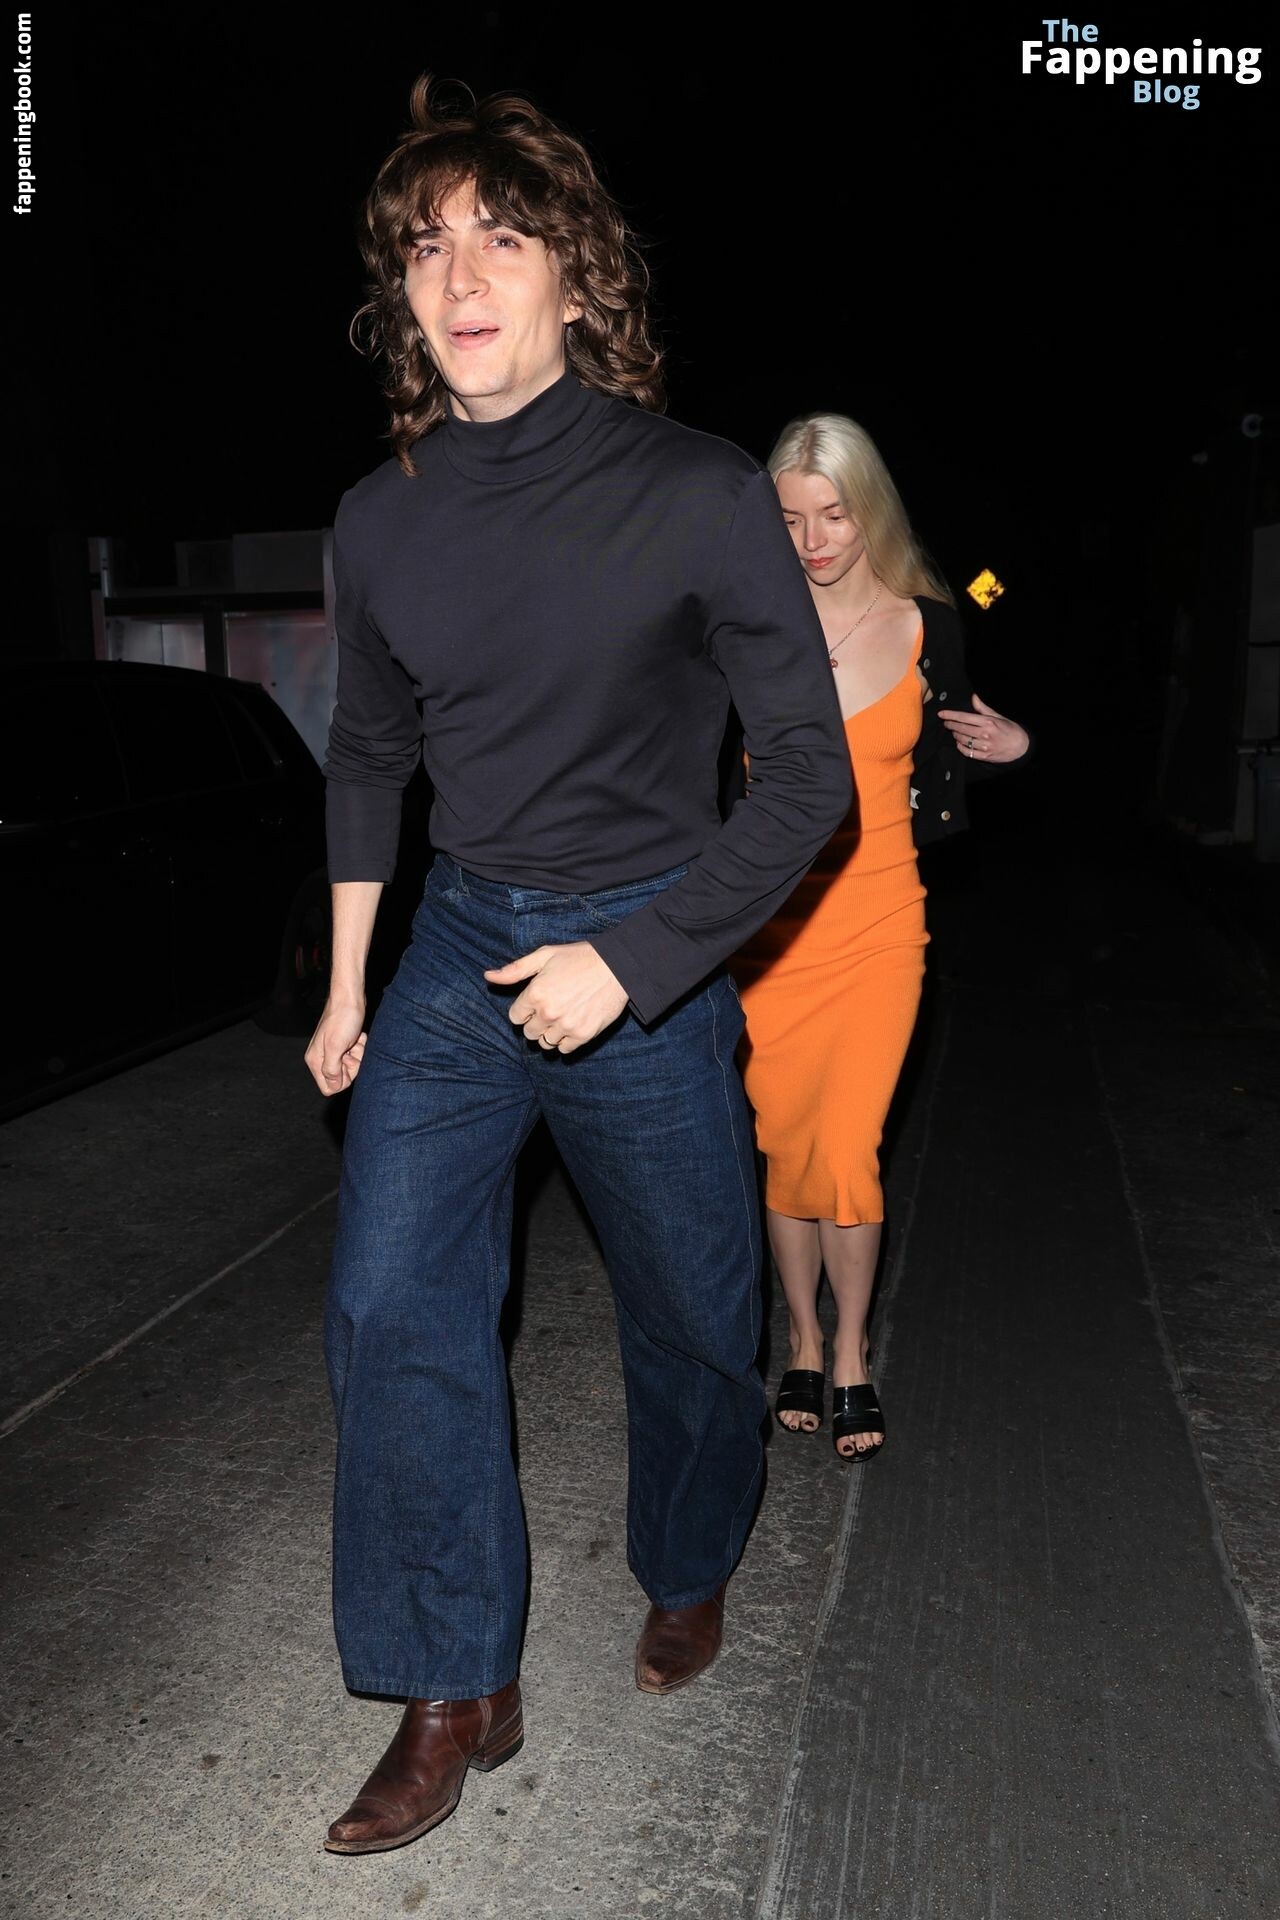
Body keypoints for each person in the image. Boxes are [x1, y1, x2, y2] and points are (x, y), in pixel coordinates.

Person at [304, 81, 852, 1855]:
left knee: (694, 1309)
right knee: (392, 1303)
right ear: (401, 294)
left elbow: (811, 780)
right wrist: (348, 985)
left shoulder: (696, 492)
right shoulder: (379, 517)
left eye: (501, 236)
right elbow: (369, 755)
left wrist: (633, 963)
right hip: (462, 944)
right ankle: (452, 1682)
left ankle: (689, 1558)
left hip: (650, 935)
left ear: (576, 274)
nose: (460, 275)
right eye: (425, 246)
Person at [730, 413, 1029, 1460]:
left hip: (880, 921)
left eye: (834, 516)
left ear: (871, 516)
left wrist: (1015, 745)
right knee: (786, 1144)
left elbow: (959, 743)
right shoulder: (744, 626)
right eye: (791, 520)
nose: (814, 542)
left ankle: (852, 1350)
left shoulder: (926, 624)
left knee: (848, 1145)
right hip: (770, 932)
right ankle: (803, 1343)